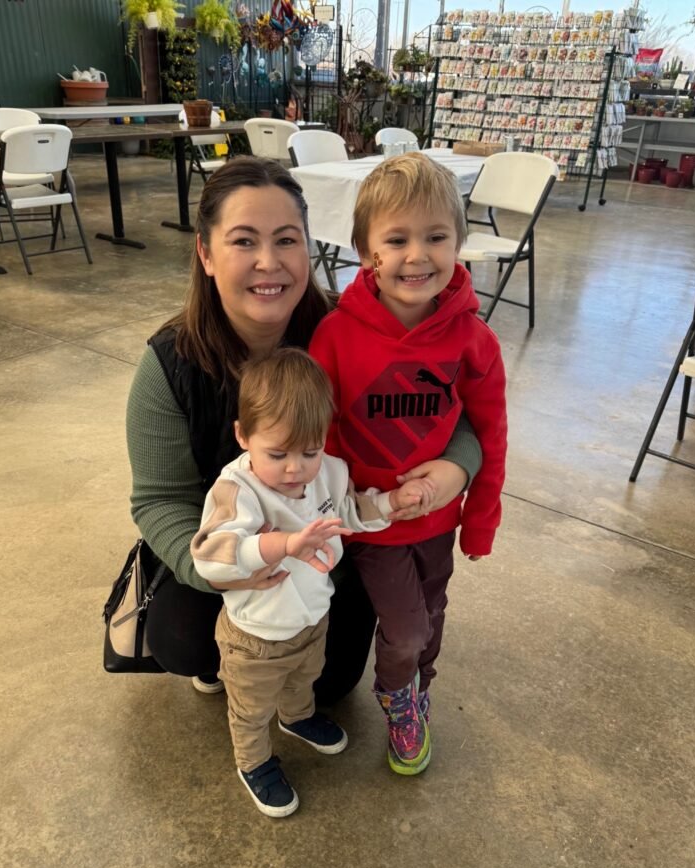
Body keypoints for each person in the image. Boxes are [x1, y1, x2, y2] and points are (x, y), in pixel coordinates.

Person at [125, 156, 482, 705]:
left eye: (287, 240)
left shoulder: (352, 333)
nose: (269, 262)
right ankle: (222, 649)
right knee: (182, 638)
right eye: (244, 241)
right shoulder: (170, 364)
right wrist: (221, 572)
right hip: (234, 548)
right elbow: (159, 499)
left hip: (328, 546)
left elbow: (448, 410)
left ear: (308, 246)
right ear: (206, 253)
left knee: (334, 684)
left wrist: (456, 466)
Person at [310, 151, 508, 775]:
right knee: (407, 629)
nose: (416, 255)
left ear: (459, 242)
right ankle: (397, 699)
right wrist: (348, 512)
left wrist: (478, 521)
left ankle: (419, 691)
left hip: (439, 523)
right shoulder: (336, 337)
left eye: (435, 237)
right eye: (396, 240)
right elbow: (321, 434)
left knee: (432, 617)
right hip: (373, 527)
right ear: (367, 250)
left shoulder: (473, 339)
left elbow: (490, 432)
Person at [191, 348, 435, 816]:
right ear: (243, 436)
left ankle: (298, 719)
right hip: (255, 637)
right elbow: (211, 555)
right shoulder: (238, 489)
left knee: (305, 679)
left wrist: (388, 503)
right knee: (251, 709)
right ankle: (254, 760)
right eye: (277, 453)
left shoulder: (329, 472)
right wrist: (282, 544)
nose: (295, 468)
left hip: (310, 619)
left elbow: (347, 513)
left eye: (310, 450)